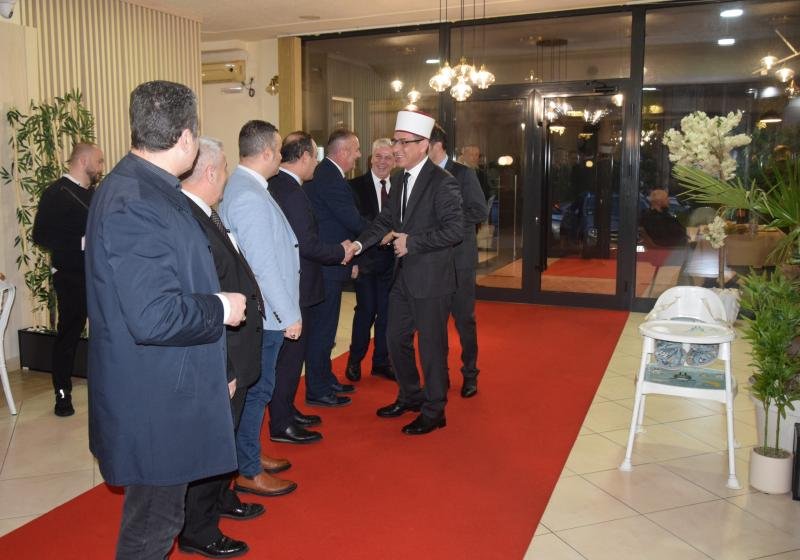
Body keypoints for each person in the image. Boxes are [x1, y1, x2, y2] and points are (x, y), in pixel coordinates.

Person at [85, 80, 246, 560]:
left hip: (167, 387)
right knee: (152, 527)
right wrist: (221, 307)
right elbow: (152, 316)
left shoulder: (148, 187)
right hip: (155, 400)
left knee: (158, 519)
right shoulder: (136, 199)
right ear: (186, 136)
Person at [178, 137, 269, 558]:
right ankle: (198, 529)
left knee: (227, 437)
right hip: (223, 350)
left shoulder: (206, 212)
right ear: (211, 172)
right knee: (212, 442)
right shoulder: (189, 220)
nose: (227, 176)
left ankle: (220, 498)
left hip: (236, 345)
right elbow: (203, 296)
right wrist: (225, 367)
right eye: (226, 168)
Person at [353, 110, 463, 435]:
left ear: (424, 145)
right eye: (395, 141)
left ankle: (434, 410)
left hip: (432, 279)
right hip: (403, 277)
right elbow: (385, 221)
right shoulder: (400, 179)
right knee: (394, 337)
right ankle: (411, 395)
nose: (396, 149)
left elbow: (455, 230)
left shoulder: (443, 182)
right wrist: (357, 246)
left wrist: (412, 242)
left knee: (431, 347)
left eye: (404, 143)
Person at [219, 120, 300, 497]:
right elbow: (263, 266)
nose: (282, 157)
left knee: (257, 389)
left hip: (263, 311)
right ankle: (248, 469)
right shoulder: (248, 194)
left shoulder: (248, 187)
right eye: (279, 150)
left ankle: (248, 452)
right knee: (258, 390)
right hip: (266, 315)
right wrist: (288, 315)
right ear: (267, 152)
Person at [267, 131, 352, 444]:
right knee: (291, 358)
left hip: (298, 282)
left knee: (293, 356)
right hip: (297, 285)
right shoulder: (290, 191)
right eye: (314, 157)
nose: (316, 163)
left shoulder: (285, 185)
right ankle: (281, 423)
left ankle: (287, 411)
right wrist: (340, 251)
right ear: (303, 157)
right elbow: (306, 244)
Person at [32, 142, 104, 417]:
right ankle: (62, 394)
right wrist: (81, 243)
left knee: (105, 332)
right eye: (98, 161)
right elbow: (40, 236)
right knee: (69, 334)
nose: (101, 167)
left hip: (97, 275)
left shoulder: (94, 194)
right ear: (83, 161)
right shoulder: (56, 193)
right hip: (70, 276)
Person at [302, 129, 366, 407]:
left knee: (326, 328)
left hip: (330, 263)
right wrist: (382, 233)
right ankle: (317, 389)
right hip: (327, 266)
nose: (359, 155)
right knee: (323, 329)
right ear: (342, 152)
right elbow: (351, 219)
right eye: (356, 150)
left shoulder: (329, 174)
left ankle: (325, 378)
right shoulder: (329, 176)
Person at [428, 124, 488, 398]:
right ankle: (439, 376)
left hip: (459, 260)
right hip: (431, 261)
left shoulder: (464, 174)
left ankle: (470, 374)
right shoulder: (421, 176)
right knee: (434, 323)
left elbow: (478, 211)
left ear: (435, 145)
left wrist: (447, 224)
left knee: (464, 320)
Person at [345, 138, 397, 383]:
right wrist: (352, 262)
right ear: (370, 159)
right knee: (366, 311)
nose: (383, 162)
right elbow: (350, 224)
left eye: (388, 157)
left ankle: (381, 362)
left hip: (393, 262)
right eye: (379, 156)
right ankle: (355, 360)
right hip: (365, 261)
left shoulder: (401, 187)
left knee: (387, 313)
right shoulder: (354, 187)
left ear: (394, 162)